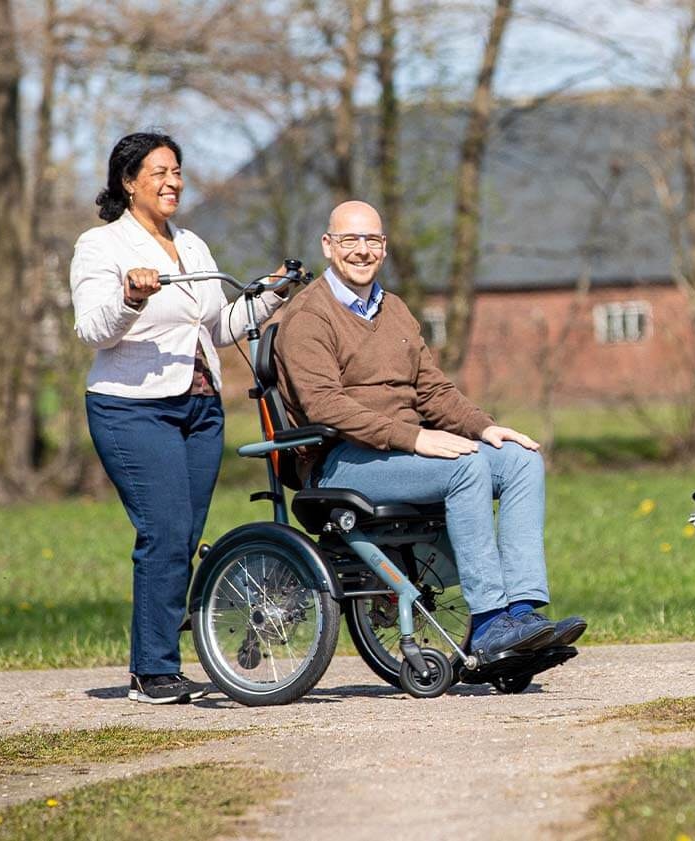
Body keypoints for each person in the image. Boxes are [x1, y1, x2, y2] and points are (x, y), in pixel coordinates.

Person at [276, 200, 586, 660]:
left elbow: (433, 392)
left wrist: (486, 428)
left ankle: (522, 616)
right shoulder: (308, 318)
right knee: (463, 469)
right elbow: (326, 406)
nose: (362, 250)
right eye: (350, 240)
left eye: (372, 240)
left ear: (384, 247)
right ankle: (487, 623)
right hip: (340, 460)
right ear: (328, 245)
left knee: (521, 462)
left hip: (401, 453)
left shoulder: (395, 310)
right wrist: (415, 438)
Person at [70, 132, 288, 704]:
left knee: (184, 536)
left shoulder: (192, 244)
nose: (173, 182)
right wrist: (131, 298)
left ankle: (164, 650)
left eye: (178, 171)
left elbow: (217, 325)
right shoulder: (101, 246)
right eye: (160, 172)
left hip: (200, 407)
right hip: (132, 409)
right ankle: (152, 671)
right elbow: (93, 329)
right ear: (128, 181)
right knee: (164, 531)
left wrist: (269, 295)